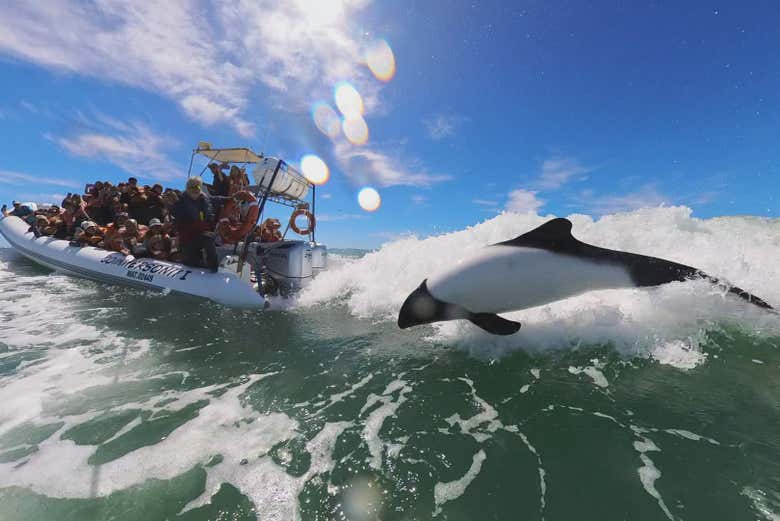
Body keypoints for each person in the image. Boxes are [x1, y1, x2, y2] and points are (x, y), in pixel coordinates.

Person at [171, 176, 218, 272]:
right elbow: (177, 216)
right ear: (187, 189)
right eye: (192, 187)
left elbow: (218, 200)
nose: (195, 189)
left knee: (208, 237)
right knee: (191, 263)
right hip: (188, 238)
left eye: (197, 186)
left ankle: (213, 267)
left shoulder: (204, 200)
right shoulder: (180, 202)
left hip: (202, 235)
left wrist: (233, 197)